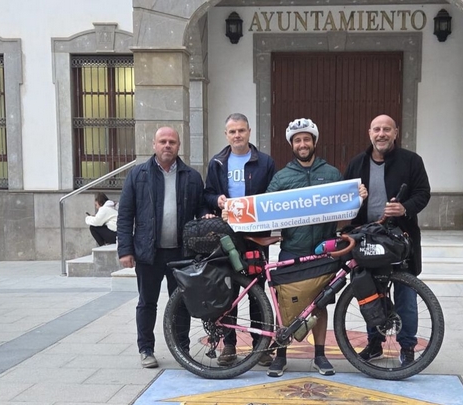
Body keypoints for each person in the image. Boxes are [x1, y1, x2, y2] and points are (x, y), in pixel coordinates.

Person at [264, 118, 367, 378]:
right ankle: (281, 355)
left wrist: (357, 198)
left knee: (320, 304)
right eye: (297, 140)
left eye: (306, 139)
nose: (302, 144)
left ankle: (320, 355)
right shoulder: (282, 177)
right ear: (291, 144)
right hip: (293, 248)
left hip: (322, 249)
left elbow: (344, 213)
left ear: (314, 142)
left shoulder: (331, 174)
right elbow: (267, 211)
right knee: (286, 303)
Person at [117, 126, 210, 369]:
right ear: (154, 145)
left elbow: (199, 207)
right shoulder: (138, 175)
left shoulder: (191, 176)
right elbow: (125, 215)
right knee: (147, 302)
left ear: (179, 146)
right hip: (149, 253)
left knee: (181, 303)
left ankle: (182, 348)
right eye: (163, 141)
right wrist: (125, 250)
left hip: (181, 254)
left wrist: (206, 215)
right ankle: (146, 349)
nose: (167, 145)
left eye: (172, 142)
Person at [344, 114, 431, 366]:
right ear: (369, 132)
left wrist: (405, 208)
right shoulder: (356, 163)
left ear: (395, 132)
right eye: (377, 129)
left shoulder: (412, 161)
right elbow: (343, 199)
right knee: (370, 293)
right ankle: (374, 343)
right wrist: (355, 198)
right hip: (368, 237)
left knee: (406, 293)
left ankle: (407, 347)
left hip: (400, 239)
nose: (381, 134)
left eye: (386, 129)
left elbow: (423, 193)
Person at [204, 113, 276, 367]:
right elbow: (208, 194)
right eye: (232, 131)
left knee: (257, 292)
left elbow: (273, 194)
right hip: (227, 237)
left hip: (256, 237)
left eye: (241, 131)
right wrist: (217, 201)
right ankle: (229, 345)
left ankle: (261, 347)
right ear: (226, 135)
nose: (237, 135)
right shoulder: (217, 163)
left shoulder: (265, 162)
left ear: (249, 132)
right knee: (229, 292)